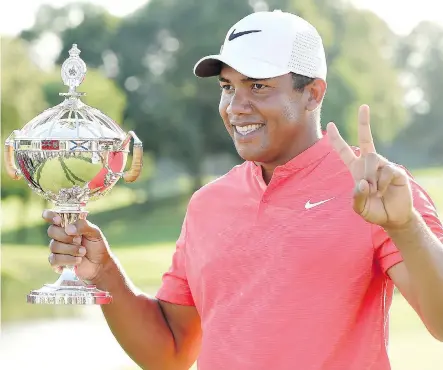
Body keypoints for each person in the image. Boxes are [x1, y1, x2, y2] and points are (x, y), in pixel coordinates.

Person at [43, 10, 443, 370]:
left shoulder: (377, 192)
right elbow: (171, 352)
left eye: (258, 86)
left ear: (313, 93)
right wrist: (105, 272)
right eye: (228, 86)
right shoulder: (208, 204)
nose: (236, 106)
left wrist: (405, 226)